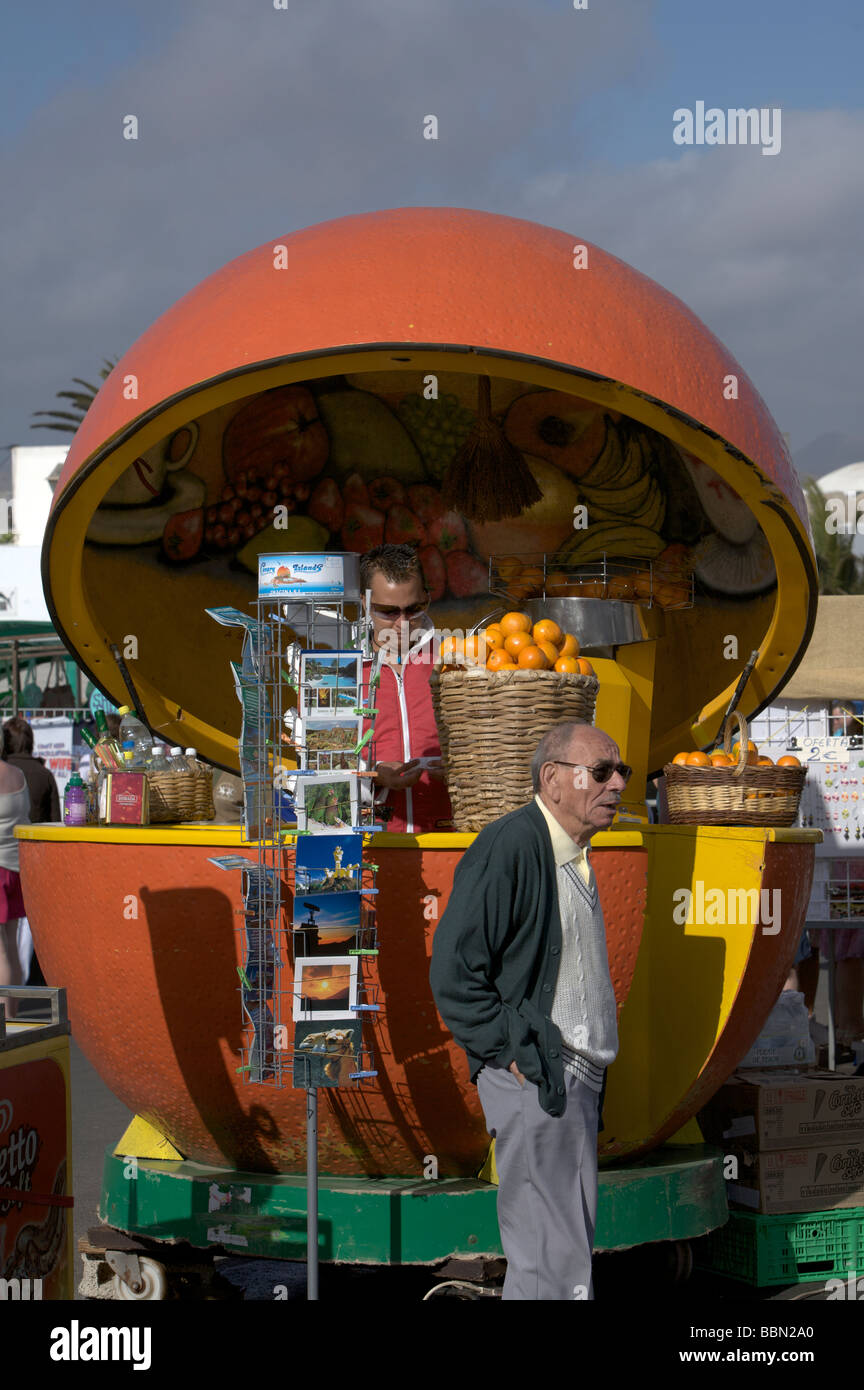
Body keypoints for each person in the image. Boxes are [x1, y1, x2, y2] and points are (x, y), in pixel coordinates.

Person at [430, 719, 628, 1300]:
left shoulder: (572, 850)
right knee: (550, 1259)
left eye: (622, 772)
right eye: (600, 771)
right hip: (541, 1074)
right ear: (553, 780)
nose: (616, 784)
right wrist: (514, 1052)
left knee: (561, 1255)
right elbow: (454, 974)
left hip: (569, 1075)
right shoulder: (512, 844)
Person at [359, 544, 452, 833]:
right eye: (388, 611)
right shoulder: (339, 672)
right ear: (365, 603)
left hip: (450, 837)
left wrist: (464, 768)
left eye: (414, 609)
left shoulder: (454, 663)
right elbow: (315, 767)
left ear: (427, 598)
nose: (402, 624)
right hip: (371, 844)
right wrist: (373, 775)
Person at [0, 757, 32, 1020]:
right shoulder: (18, 775)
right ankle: (14, 1014)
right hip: (15, 867)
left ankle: (6, 1019)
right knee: (12, 946)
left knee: (0, 952)